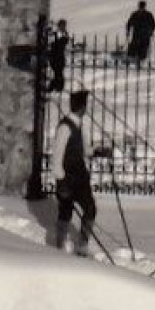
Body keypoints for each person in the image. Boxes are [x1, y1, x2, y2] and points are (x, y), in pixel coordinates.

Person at [49, 90, 97, 256]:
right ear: (82, 107)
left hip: (80, 177)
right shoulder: (65, 127)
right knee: (65, 212)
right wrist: (61, 181)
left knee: (90, 209)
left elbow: (84, 150)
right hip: (68, 177)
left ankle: (82, 246)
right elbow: (57, 155)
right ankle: (59, 246)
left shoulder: (78, 125)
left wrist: (97, 151)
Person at [47, 20, 68, 92]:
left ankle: (55, 87)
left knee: (58, 73)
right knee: (57, 72)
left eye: (64, 25)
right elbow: (51, 43)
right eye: (61, 25)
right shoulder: (55, 34)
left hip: (60, 56)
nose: (63, 27)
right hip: (54, 56)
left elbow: (65, 42)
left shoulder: (64, 34)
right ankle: (56, 86)